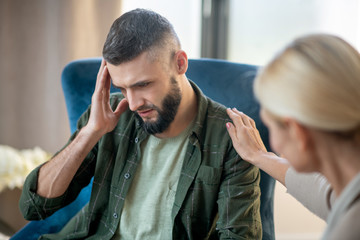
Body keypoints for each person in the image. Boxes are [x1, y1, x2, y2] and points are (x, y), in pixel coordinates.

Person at [19, 8, 261, 239]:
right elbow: (34, 207)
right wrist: (91, 132)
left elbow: (238, 235)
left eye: (143, 84)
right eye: (122, 88)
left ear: (180, 63)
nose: (133, 104)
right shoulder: (111, 114)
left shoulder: (231, 136)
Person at [226, 34, 360, 239]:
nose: (275, 142)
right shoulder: (350, 190)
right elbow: (330, 196)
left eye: (271, 127)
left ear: (297, 132)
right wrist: (260, 156)